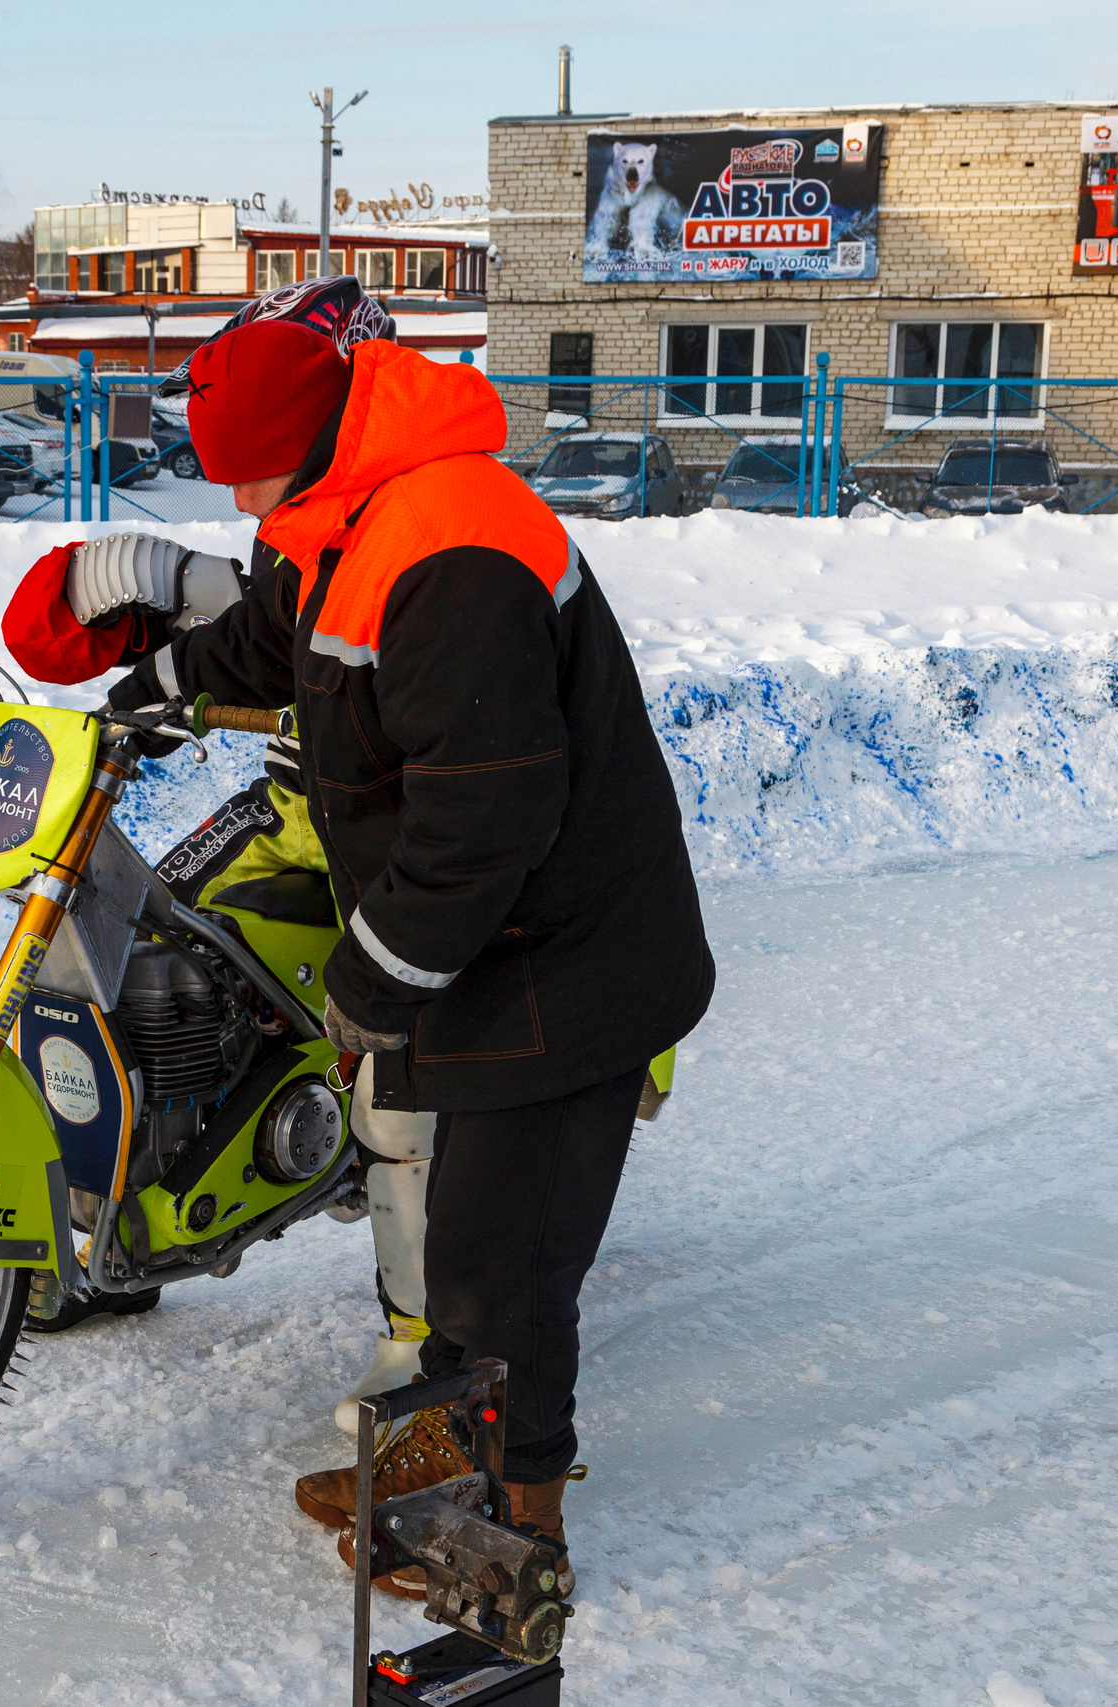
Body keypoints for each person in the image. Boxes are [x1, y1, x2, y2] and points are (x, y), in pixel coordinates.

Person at [93, 315, 716, 1597]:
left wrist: (371, 982)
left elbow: (485, 813)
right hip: (484, 946)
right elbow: (277, 638)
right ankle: (439, 1468)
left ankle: (515, 1537)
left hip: (565, 965)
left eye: (251, 474)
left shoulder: (454, 549)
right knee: (458, 1253)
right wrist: (160, 685)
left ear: (314, 440)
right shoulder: (343, 512)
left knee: (504, 1268)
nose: (238, 501)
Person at [0, 284, 438, 1423]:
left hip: (403, 827)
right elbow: (269, 614)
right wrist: (148, 603)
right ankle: (113, 1231)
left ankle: (428, 1344)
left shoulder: (424, 512)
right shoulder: (307, 510)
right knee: (134, 958)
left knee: (405, 1072)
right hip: (303, 801)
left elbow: (368, 646)